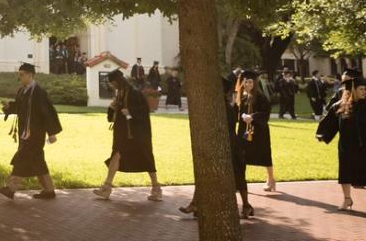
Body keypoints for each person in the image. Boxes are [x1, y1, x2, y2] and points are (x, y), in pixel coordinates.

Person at [316, 76, 366, 212]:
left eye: (364, 89)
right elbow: (330, 122)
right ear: (352, 90)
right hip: (347, 147)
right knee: (345, 173)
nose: (364, 91)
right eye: (361, 89)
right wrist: (323, 134)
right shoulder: (339, 106)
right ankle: (347, 199)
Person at [179, 74, 252, 219]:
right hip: (226, 144)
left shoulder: (222, 108)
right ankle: (196, 203)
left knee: (237, 176)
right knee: (207, 173)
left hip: (229, 145)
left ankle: (246, 205)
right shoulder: (222, 106)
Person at [93, 69, 162, 201]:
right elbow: (114, 117)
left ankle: (156, 188)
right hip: (123, 134)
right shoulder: (121, 94)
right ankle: (106, 188)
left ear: (118, 81)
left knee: (146, 159)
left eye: (113, 83)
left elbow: (144, 111)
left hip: (136, 134)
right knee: (116, 156)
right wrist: (112, 108)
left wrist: (130, 112)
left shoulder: (134, 93)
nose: (112, 86)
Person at [0, 63, 62, 201]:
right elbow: (20, 108)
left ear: (30, 75)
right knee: (38, 162)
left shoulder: (39, 93)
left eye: (22, 75)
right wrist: (9, 106)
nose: (19, 77)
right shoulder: (22, 91)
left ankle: (11, 188)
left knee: (21, 158)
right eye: (19, 75)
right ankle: (49, 190)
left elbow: (48, 113)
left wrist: (52, 133)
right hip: (25, 133)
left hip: (36, 134)